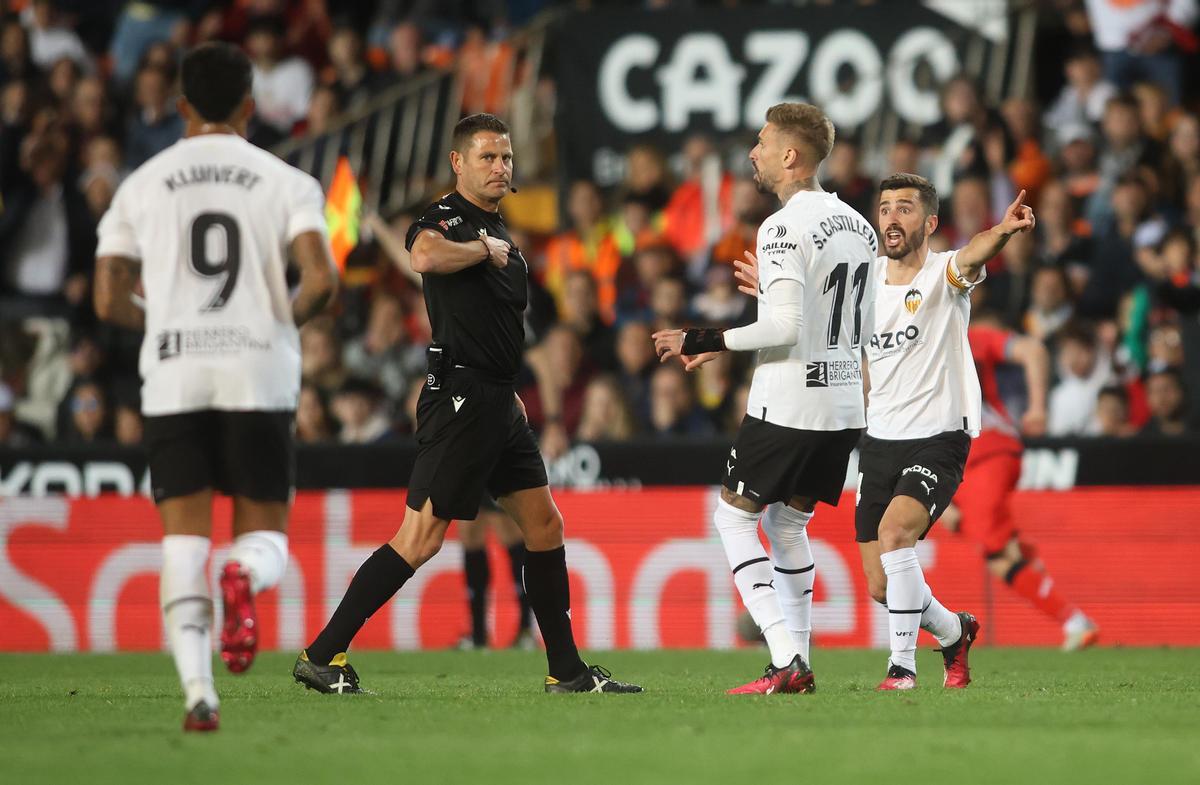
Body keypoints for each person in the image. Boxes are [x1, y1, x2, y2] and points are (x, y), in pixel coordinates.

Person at [294, 113, 641, 695]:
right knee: (421, 537)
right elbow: (424, 258)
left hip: (497, 400)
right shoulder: (447, 220)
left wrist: (511, 396)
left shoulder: (496, 229)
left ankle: (567, 670)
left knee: (544, 525)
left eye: (506, 157)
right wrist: (481, 250)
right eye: (488, 157)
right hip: (460, 396)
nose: (501, 167)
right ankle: (322, 653)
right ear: (459, 162)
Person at [93, 42, 339, 732]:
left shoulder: (140, 183)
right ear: (248, 108)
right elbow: (321, 280)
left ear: (179, 107)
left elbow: (109, 297)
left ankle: (200, 693)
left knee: (182, 543)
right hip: (257, 370)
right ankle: (246, 576)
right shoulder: (284, 180)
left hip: (174, 372)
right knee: (264, 536)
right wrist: (274, 325)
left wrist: (161, 319)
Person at [735, 175, 1035, 690]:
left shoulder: (945, 272)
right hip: (878, 437)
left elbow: (972, 255)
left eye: (905, 209)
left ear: (931, 222)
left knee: (897, 535)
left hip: (940, 434)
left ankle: (902, 670)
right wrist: (775, 284)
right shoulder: (863, 279)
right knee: (882, 584)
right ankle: (953, 632)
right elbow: (815, 319)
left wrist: (1003, 230)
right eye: (885, 208)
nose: (892, 219)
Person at [654, 103, 877, 695]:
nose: (752, 153)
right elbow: (849, 318)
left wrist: (702, 338)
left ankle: (784, 656)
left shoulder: (780, 226)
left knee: (732, 519)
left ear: (789, 156)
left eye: (761, 142)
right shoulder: (859, 225)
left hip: (788, 401)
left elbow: (783, 329)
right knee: (787, 527)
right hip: (841, 405)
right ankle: (797, 660)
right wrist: (768, 298)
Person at [942, 317, 1100, 651]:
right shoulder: (925, 341)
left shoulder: (968, 336)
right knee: (999, 555)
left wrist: (1038, 407)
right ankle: (1072, 617)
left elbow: (1032, 349)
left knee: (995, 549)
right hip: (961, 463)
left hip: (984, 451)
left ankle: (1075, 621)